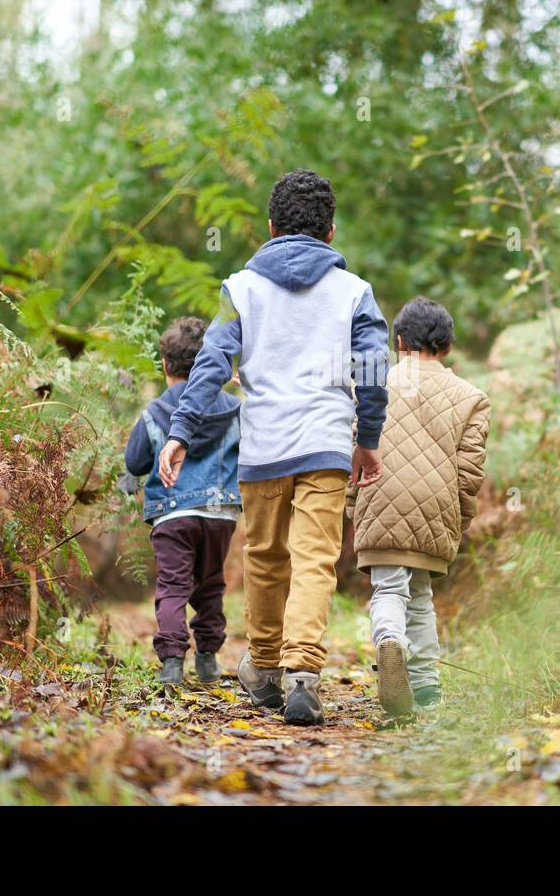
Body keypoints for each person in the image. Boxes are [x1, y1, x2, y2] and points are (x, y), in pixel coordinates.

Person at [158, 169, 389, 725]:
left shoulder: (241, 288)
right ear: (331, 231)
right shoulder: (353, 292)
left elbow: (213, 363)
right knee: (315, 560)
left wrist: (180, 430)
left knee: (264, 559)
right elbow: (376, 368)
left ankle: (263, 667)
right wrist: (369, 439)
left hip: (262, 449)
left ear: (269, 227)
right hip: (327, 445)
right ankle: (303, 672)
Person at [347, 296, 490, 715]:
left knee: (389, 588)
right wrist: (459, 517)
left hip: (381, 494)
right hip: (437, 505)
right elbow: (470, 470)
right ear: (446, 346)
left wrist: (353, 503)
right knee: (422, 594)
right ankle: (426, 686)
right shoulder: (471, 397)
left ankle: (389, 640)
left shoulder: (374, 387)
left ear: (397, 341)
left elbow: (355, 447)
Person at [124, 317, 241, 686]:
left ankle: (172, 662)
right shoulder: (233, 408)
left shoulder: (157, 410)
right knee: (211, 584)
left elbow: (135, 461)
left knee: (174, 586)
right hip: (220, 514)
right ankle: (208, 659)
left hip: (172, 514)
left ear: (165, 365)